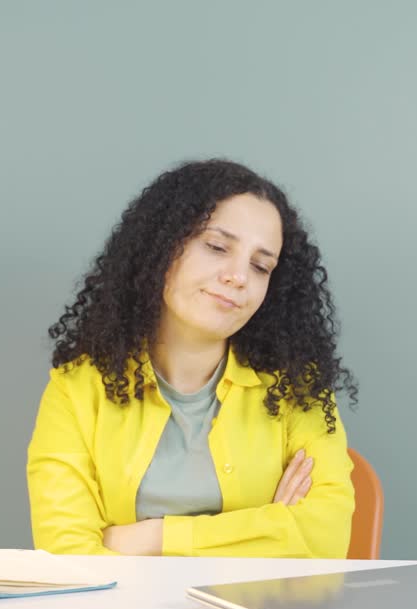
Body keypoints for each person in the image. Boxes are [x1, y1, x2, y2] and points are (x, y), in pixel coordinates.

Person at [26, 159, 358, 558]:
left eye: (260, 265)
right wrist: (268, 528)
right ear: (162, 246)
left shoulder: (296, 388)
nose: (239, 276)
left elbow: (325, 537)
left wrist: (152, 538)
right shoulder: (77, 388)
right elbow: (69, 556)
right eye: (217, 247)